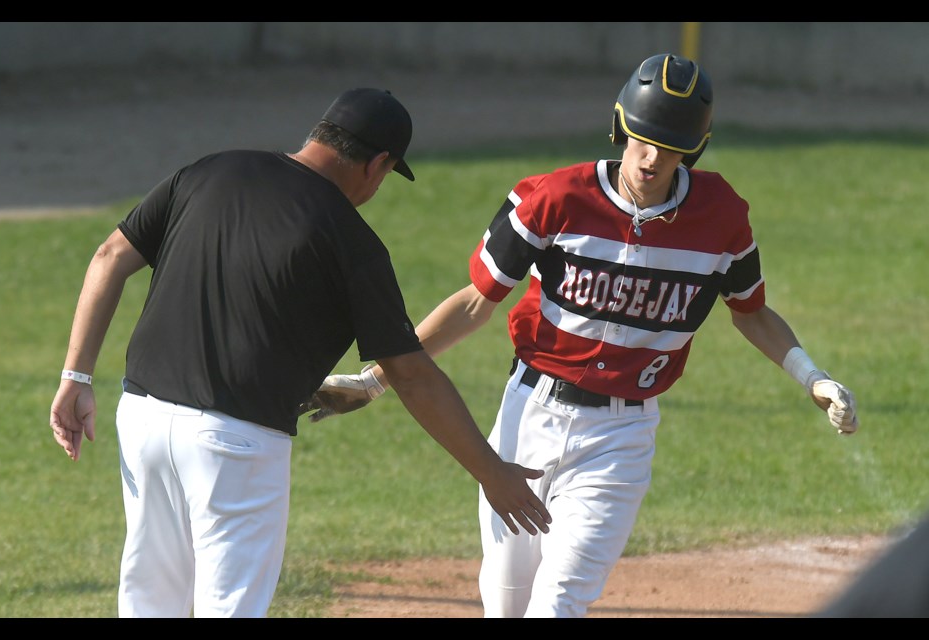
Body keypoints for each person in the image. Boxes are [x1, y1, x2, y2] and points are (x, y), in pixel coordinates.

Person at [299, 54, 861, 618]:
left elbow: (752, 312)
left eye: (671, 145)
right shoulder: (555, 199)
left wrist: (813, 376)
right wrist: (375, 380)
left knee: (559, 602)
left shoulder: (721, 217)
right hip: (528, 418)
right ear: (621, 127)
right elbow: (474, 304)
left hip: (620, 436)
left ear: (696, 147)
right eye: (643, 138)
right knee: (505, 602)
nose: (653, 156)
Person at [48, 87, 551, 618]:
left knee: (150, 603)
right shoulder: (351, 240)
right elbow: (412, 374)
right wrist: (491, 472)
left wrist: (75, 377)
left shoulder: (209, 170)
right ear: (376, 164)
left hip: (143, 421)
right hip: (235, 445)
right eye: (385, 174)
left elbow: (109, 255)